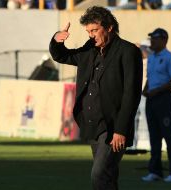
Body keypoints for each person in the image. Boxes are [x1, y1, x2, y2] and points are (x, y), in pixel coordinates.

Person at [49, 6, 143, 190]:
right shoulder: (89, 48)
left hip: (113, 126)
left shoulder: (128, 51)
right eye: (88, 31)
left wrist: (121, 130)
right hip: (92, 124)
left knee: (99, 174)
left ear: (109, 27)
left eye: (94, 30)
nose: (91, 35)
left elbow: (131, 94)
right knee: (108, 177)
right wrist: (56, 40)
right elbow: (63, 56)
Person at [141, 28, 171, 182]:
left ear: (164, 40)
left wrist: (156, 90)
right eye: (151, 38)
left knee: (168, 136)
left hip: (164, 99)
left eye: (155, 38)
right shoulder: (151, 58)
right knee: (154, 136)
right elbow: (150, 78)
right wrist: (145, 90)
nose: (152, 41)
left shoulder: (170, 58)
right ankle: (155, 171)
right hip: (151, 99)